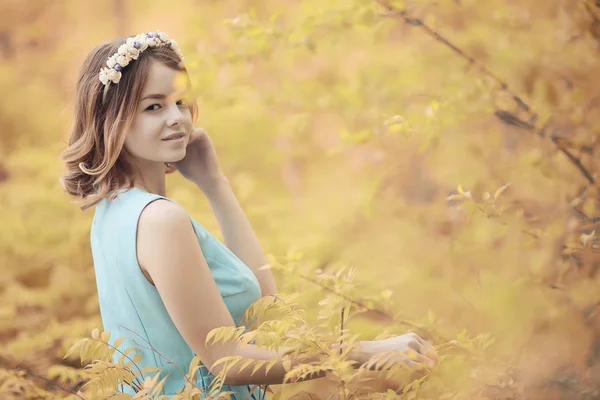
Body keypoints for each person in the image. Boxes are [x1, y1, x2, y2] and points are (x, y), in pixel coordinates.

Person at [59, 31, 439, 399]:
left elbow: (266, 313)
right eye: (153, 106)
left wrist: (214, 184)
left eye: (179, 102)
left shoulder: (112, 213)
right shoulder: (160, 220)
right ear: (113, 120)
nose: (176, 117)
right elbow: (229, 361)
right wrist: (364, 352)